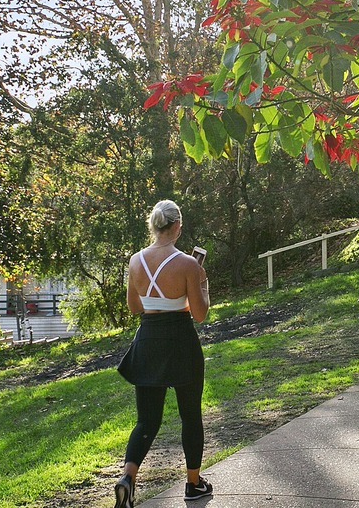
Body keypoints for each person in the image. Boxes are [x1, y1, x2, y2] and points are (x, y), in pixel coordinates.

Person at [114, 199, 213, 506]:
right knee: (189, 416)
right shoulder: (188, 264)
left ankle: (128, 478)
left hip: (148, 341)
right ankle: (193, 484)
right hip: (181, 342)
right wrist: (203, 283)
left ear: (153, 226)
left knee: (147, 420)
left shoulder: (135, 261)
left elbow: (135, 307)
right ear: (177, 227)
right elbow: (199, 314)